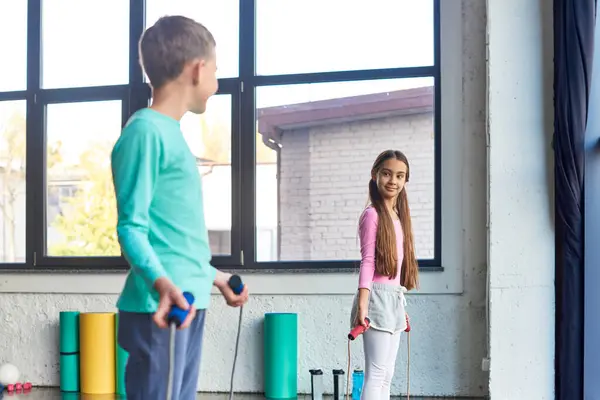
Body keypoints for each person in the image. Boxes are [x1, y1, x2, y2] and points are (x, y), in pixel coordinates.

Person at [110, 15, 249, 400]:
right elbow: (130, 229)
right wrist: (163, 284)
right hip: (164, 304)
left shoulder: (170, 134)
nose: (217, 84)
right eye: (216, 72)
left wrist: (216, 277)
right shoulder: (145, 133)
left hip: (184, 298)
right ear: (197, 68)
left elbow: (176, 242)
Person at [350, 150, 419, 399]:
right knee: (376, 373)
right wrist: (363, 305)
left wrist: (399, 305)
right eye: (387, 173)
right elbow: (367, 262)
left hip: (394, 299)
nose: (393, 181)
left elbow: (397, 270)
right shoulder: (372, 215)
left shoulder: (399, 218)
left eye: (400, 176)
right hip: (377, 299)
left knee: (388, 374)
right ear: (375, 175)